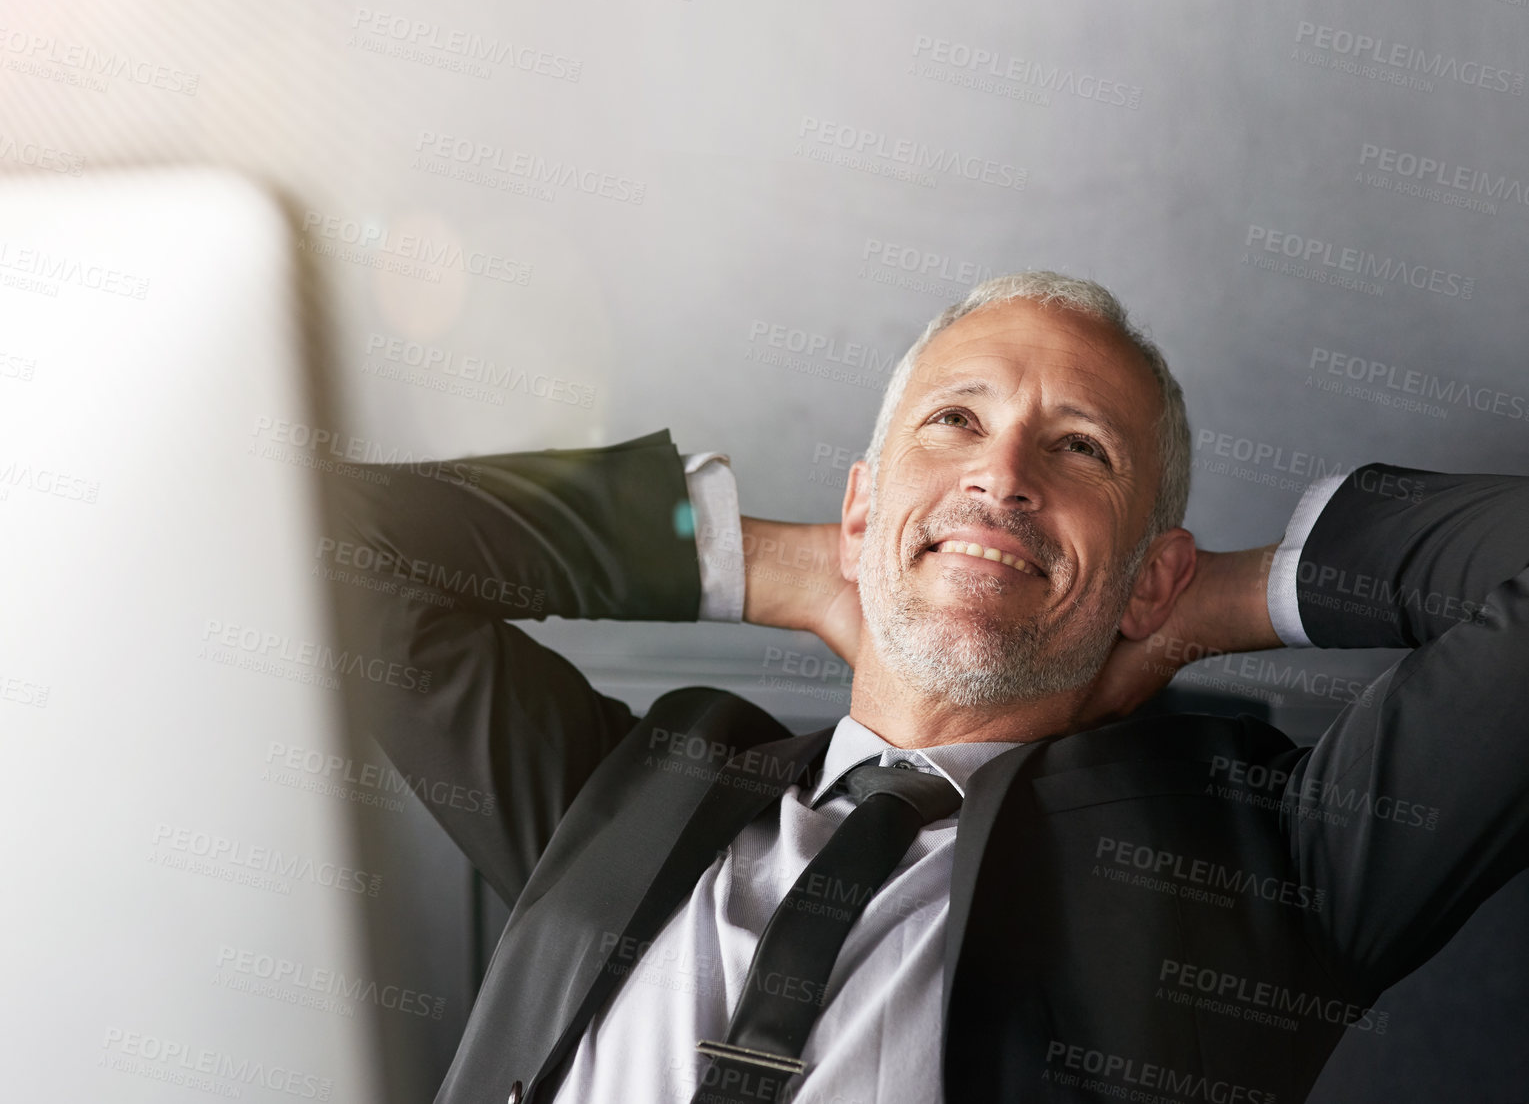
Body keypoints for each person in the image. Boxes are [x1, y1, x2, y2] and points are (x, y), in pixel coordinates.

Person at [324, 271, 1529, 1104]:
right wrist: (779, 563)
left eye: (1078, 450)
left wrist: (1218, 596)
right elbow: (327, 543)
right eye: (955, 420)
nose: (1000, 473)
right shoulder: (629, 793)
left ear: (1148, 574)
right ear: (861, 504)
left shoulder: (1267, 865)